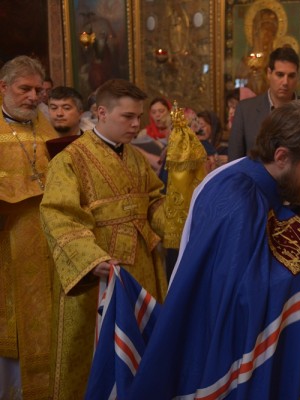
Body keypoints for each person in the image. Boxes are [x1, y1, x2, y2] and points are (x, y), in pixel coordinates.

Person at [127, 100, 300, 399]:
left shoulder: (257, 181)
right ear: (281, 156)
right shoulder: (238, 198)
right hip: (213, 354)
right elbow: (245, 295)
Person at [39, 79, 168, 399]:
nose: (137, 124)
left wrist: (183, 210)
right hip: (97, 276)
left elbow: (155, 202)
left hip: (141, 269)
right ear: (100, 112)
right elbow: (58, 214)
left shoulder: (137, 158)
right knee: (95, 359)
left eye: (139, 116)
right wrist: (91, 259)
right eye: (128, 117)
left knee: (140, 353)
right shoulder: (70, 159)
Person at [0, 55, 58, 400]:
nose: (34, 96)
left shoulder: (45, 124)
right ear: (4, 87)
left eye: (39, 90)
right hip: (7, 243)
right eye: (25, 89)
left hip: (46, 241)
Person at [228, 46, 299, 161]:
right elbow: (234, 161)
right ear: (269, 73)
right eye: (280, 75)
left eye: (291, 76)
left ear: (297, 77)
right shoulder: (245, 110)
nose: (285, 82)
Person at [132, 97, 172, 172]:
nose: (157, 115)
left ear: (169, 111)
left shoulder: (176, 132)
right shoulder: (144, 133)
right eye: (154, 112)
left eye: (161, 111)